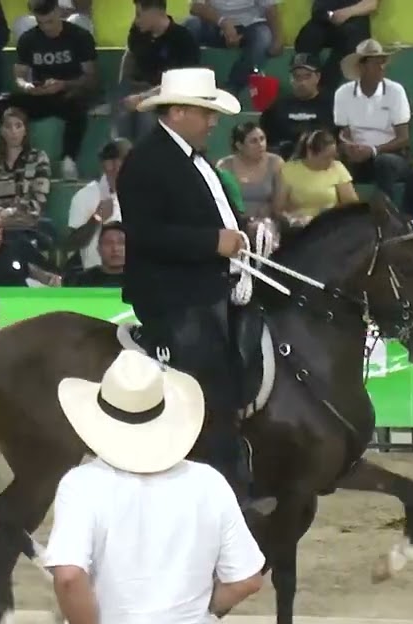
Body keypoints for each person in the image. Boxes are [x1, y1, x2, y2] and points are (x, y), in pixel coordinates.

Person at [44, 348, 265, 624]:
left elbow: (68, 577)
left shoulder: (82, 485)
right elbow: (247, 580)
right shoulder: (209, 483)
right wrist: (203, 609)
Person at [116, 67, 275, 518]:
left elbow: (212, 216)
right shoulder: (147, 162)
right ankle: (228, 494)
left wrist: (244, 233)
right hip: (175, 293)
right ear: (180, 111)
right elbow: (145, 235)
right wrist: (213, 242)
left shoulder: (194, 159)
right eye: (207, 113)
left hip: (210, 282)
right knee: (210, 384)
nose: (213, 122)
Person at [1, 0, 98, 181]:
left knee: (77, 105)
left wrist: (64, 84)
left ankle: (69, 159)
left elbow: (90, 79)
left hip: (68, 93)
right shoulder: (29, 39)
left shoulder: (79, 37)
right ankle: (14, 157)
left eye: (50, 22)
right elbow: (19, 77)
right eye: (41, 23)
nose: (46, 28)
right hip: (40, 95)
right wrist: (27, 87)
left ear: (58, 12)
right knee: (2, 104)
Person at [333, 39, 410, 200]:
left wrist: (373, 150)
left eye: (383, 62)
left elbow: (403, 138)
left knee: (384, 163)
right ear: (361, 67)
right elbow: (343, 133)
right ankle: (346, 214)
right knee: (338, 162)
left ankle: (386, 213)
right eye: (376, 63)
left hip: (391, 155)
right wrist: (349, 147)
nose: (382, 67)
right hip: (357, 154)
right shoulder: (343, 93)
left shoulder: (395, 91)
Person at [116, 0, 202, 142]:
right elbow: (130, 55)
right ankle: (123, 154)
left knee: (145, 113)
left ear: (155, 12)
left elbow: (183, 81)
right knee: (122, 106)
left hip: (166, 96)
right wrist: (124, 86)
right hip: (138, 90)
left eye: (139, 14)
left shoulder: (182, 39)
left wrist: (143, 97)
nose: (136, 20)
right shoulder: (138, 32)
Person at [184, 0, 284, 98]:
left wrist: (278, 38)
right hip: (214, 23)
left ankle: (232, 88)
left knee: (264, 36)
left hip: (250, 25)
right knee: (191, 26)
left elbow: (270, 8)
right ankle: (191, 82)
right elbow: (196, 7)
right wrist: (223, 22)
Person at [65, 138, 130, 271]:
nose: (117, 167)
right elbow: (72, 245)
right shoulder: (84, 196)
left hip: (136, 277)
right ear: (103, 165)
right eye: (111, 161)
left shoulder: (146, 195)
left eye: (122, 161)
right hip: (95, 278)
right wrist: (97, 218)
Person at [273, 128, 357, 223]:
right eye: (326, 158)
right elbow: (279, 209)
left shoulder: (338, 168)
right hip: (299, 226)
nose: (331, 161)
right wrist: (292, 219)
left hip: (330, 224)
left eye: (333, 156)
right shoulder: (289, 170)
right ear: (310, 153)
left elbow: (352, 206)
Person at [292, 0, 379, 92]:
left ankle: (325, 90)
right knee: (307, 37)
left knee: (349, 43)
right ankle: (305, 86)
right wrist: (330, 15)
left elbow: (371, 4)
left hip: (354, 21)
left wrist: (346, 13)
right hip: (324, 18)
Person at [258, 53, 333, 158]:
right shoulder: (278, 106)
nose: (302, 82)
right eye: (297, 77)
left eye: (307, 76)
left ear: (318, 77)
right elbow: (266, 141)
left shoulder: (331, 104)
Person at [216, 121, 282, 219]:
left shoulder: (276, 163)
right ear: (239, 145)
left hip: (267, 222)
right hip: (234, 221)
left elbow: (280, 203)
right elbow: (220, 202)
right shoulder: (224, 166)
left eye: (262, 139)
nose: (261, 144)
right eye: (254, 141)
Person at [63, 221, 125, 287]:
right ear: (99, 249)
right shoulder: (79, 281)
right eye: (108, 243)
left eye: (121, 243)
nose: (115, 248)